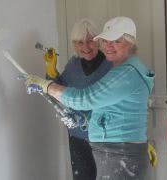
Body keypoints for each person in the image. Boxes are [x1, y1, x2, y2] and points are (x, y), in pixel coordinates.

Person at [25, 16, 155, 179]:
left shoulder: (122, 72)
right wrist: (84, 119)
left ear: (131, 42)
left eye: (116, 41)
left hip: (120, 152)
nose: (109, 46)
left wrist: (46, 85)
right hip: (96, 142)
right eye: (106, 40)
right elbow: (110, 108)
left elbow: (85, 99)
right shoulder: (80, 65)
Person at [43, 19, 112, 180]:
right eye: (80, 42)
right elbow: (58, 92)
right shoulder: (73, 65)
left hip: (105, 138)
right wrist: (51, 70)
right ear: (74, 44)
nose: (85, 47)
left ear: (98, 41)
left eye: (90, 41)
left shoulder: (111, 66)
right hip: (78, 138)